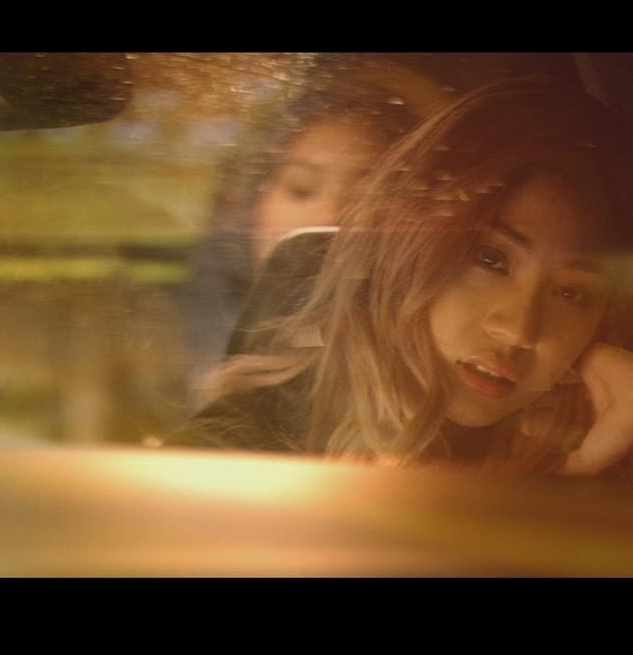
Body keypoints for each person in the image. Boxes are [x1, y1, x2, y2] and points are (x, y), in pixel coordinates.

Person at [171, 76, 633, 478]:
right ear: (407, 249)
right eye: (490, 260)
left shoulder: (590, 451)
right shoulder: (250, 445)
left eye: (571, 293)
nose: (520, 330)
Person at [181, 82, 416, 406]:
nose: (330, 216)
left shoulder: (424, 370)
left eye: (367, 196)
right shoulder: (177, 341)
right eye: (301, 189)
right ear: (251, 207)